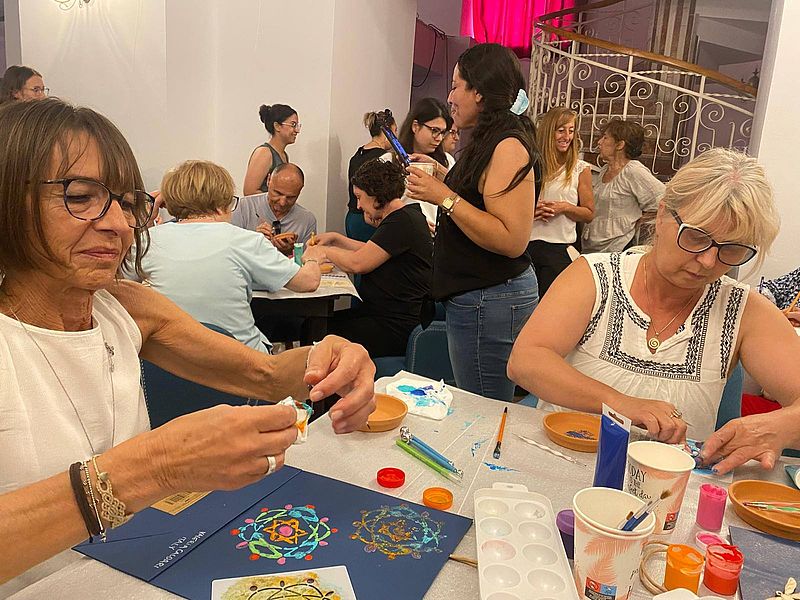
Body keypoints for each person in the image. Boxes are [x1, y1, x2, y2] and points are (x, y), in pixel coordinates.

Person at [0, 98, 375, 591]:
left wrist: (330, 355)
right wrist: (155, 466)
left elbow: (264, 375)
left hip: (130, 574)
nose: (119, 225)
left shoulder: (124, 306)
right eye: (80, 196)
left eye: (126, 203)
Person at [508, 148, 800, 454]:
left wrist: (775, 427)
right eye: (696, 237)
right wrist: (620, 403)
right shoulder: (595, 277)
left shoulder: (743, 311)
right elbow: (526, 360)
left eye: (732, 249)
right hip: (563, 461)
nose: (708, 261)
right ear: (662, 215)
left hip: (670, 482)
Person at [405, 43, 540, 401]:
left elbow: (511, 239)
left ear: (478, 92)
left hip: (490, 297)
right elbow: (480, 196)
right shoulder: (490, 140)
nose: (450, 97)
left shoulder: (508, 146)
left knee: (484, 408)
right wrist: (442, 176)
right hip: (482, 295)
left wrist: (443, 196)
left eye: (455, 86)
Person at [127, 160, 325, 352]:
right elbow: (308, 282)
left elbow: (118, 285)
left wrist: (146, 220)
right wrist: (312, 258)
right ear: (221, 202)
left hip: (171, 360)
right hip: (241, 360)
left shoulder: (147, 240)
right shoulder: (246, 240)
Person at [311, 160, 432, 357]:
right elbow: (372, 252)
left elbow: (358, 263)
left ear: (376, 194)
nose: (358, 205)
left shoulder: (402, 221)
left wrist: (323, 252)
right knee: (316, 323)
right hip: (385, 317)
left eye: (360, 197)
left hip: (394, 325)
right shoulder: (405, 216)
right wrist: (336, 239)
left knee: (316, 331)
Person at [529, 107, 594, 297]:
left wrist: (564, 207)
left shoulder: (580, 169)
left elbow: (589, 213)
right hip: (526, 248)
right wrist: (530, 211)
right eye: (561, 130)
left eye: (571, 131)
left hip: (559, 251)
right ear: (549, 132)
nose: (567, 136)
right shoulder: (532, 165)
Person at [581, 119, 664, 253]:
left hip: (618, 247)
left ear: (620, 145)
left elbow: (663, 200)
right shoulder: (604, 170)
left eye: (605, 138)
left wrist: (637, 222)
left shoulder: (633, 171)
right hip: (594, 247)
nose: (599, 142)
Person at [382, 97, 454, 226]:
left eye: (443, 132)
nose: (439, 138)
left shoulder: (447, 161)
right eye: (434, 130)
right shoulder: (388, 161)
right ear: (415, 126)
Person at [232, 163, 317, 255]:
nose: (282, 202)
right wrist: (254, 241)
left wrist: (289, 252)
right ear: (268, 180)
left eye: (291, 197)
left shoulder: (307, 220)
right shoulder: (244, 207)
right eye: (277, 193)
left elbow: (309, 260)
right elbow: (230, 251)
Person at [346, 109, 396, 242]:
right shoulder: (384, 158)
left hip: (352, 219)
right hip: (370, 220)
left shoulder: (356, 156)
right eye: (395, 131)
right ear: (387, 132)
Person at [243, 104, 300, 195]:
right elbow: (249, 192)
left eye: (297, 125)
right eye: (293, 125)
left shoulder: (284, 155)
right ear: (277, 126)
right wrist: (276, 199)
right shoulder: (264, 153)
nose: (297, 130)